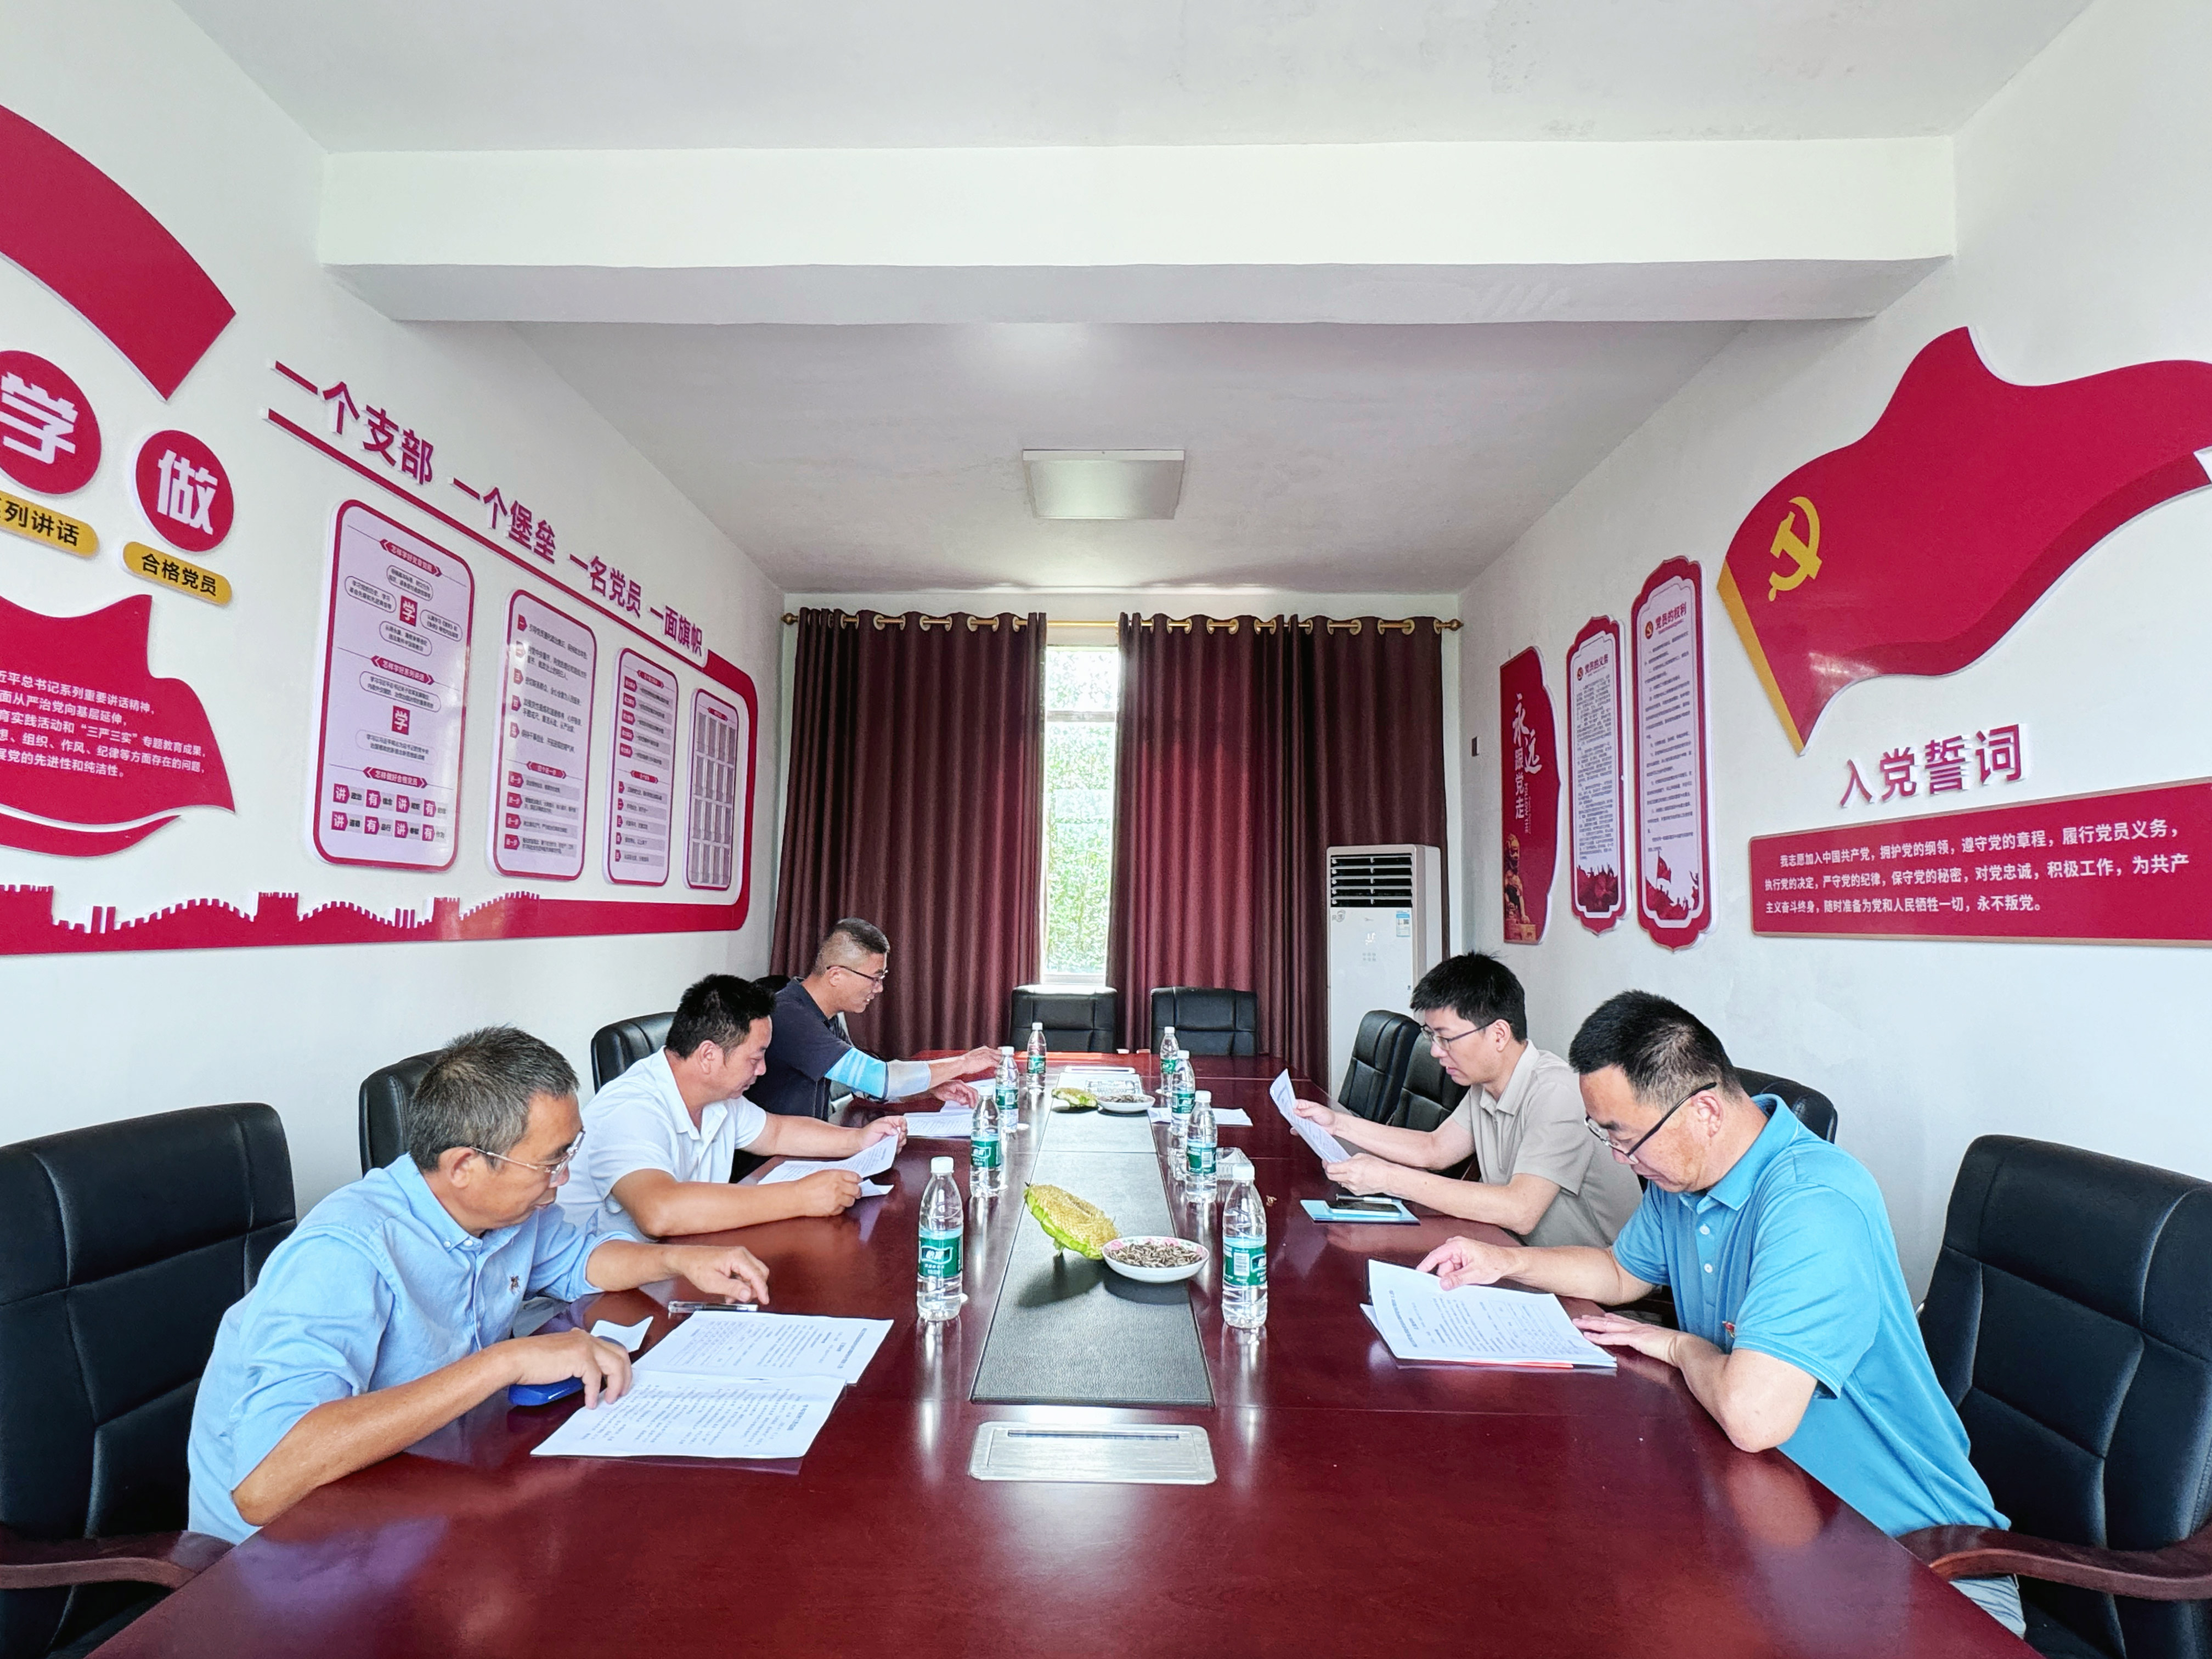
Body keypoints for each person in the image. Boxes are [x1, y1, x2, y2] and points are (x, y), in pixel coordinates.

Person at [1415, 991, 2024, 1638]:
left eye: (1625, 1137)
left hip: (1918, 1566)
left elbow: (1754, 1417)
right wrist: (1505, 1262)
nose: (1619, 1158)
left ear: (1704, 1111)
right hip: (1777, 1524)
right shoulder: (1687, 1176)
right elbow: (1620, 1273)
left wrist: (1682, 1348)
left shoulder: (1813, 1204)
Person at [187, 1026, 772, 1543]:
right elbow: (264, 1483)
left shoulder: (506, 1213)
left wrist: (680, 1261)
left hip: (418, 1484)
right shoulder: (344, 1253)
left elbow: (582, 1262)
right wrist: (505, 1363)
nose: (564, 1178)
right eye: (550, 1163)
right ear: (465, 1166)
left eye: (570, 1152)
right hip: (286, 1557)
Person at [1292, 952, 1641, 1247]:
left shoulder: (1557, 1092)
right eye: (1432, 1036)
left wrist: (1388, 1178)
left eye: (1446, 1038)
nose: (1435, 1051)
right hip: (1521, 1256)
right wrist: (1337, 1125)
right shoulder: (1485, 1085)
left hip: (1596, 1283)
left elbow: (1520, 1210)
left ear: (1499, 1035)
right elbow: (1434, 1149)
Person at [560, 972, 909, 1237]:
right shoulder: (631, 1110)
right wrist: (800, 1198)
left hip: (678, 1261)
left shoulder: (718, 1098)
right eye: (755, 1058)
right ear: (708, 1055)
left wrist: (858, 1140)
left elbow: (777, 1132)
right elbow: (659, 1212)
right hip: (592, 1298)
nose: (763, 1069)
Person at [752, 917, 996, 1120]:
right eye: (874, 978)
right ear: (836, 975)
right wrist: (963, 1063)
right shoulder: (789, 1016)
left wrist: (928, 1090)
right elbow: (879, 1078)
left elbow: (864, 1087)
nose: (879, 989)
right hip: (775, 1159)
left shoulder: (824, 1014)